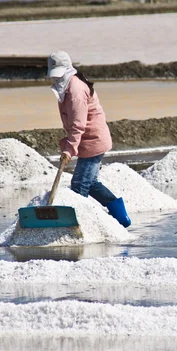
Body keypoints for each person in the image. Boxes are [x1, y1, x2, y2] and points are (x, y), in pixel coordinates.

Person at [47, 50, 131, 227]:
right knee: (90, 183)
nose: (55, 79)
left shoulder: (76, 90)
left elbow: (78, 125)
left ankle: (80, 224)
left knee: (79, 184)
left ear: (68, 69)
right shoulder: (68, 86)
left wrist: (69, 149)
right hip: (88, 140)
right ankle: (121, 218)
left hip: (93, 140)